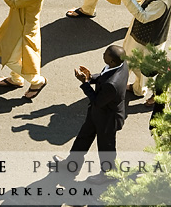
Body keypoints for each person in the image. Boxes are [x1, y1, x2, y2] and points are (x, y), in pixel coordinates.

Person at [54, 45, 128, 184]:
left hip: (108, 119)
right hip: (98, 113)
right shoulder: (121, 64)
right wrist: (90, 77)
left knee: (106, 147)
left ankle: (109, 174)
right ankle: (73, 164)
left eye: (106, 54)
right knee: (83, 137)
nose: (103, 54)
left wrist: (85, 83)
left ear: (112, 61)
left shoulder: (112, 84)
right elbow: (104, 76)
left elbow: (97, 101)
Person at [117, 0, 171, 106]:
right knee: (130, 60)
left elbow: (143, 17)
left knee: (144, 69)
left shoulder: (161, 1)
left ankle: (150, 92)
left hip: (148, 40)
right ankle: (136, 89)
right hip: (141, 35)